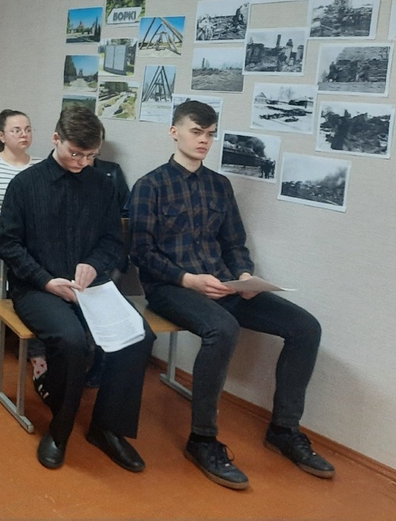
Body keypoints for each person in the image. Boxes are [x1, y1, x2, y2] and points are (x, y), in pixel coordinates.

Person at [129, 100, 333, 490]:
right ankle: (202, 440)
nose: (204, 140)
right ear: (174, 132)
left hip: (225, 284)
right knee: (222, 329)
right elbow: (141, 253)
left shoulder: (219, 186)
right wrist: (189, 280)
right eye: (196, 132)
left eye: (210, 134)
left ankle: (284, 430)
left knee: (306, 327)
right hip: (170, 288)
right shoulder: (149, 186)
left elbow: (234, 243)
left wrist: (244, 275)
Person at [0, 106, 153, 473]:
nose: (82, 162)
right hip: (37, 287)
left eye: (90, 155)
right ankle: (60, 429)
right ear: (56, 139)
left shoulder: (102, 184)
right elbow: (8, 245)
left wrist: (94, 264)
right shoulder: (26, 184)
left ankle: (107, 428)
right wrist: (45, 280)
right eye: (76, 153)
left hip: (89, 285)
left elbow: (112, 241)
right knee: (70, 340)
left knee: (139, 336)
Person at [0, 110, 48, 398]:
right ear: (2, 136)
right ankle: (39, 357)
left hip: (36, 245)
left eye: (28, 129)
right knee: (28, 277)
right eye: (16, 130)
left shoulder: (41, 166)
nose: (24, 134)